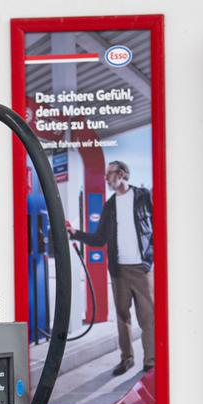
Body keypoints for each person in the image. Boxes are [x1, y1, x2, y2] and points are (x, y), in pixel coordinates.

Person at [74, 160, 155, 376]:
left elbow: (158, 227)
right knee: (122, 317)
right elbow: (99, 239)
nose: (106, 178)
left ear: (121, 174)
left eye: (109, 174)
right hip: (119, 271)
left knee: (148, 317)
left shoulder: (143, 196)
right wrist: (75, 234)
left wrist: (151, 258)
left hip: (142, 268)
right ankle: (127, 359)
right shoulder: (109, 206)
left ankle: (151, 361)